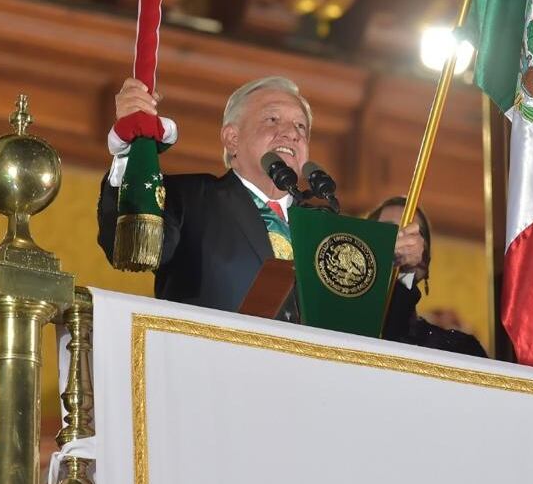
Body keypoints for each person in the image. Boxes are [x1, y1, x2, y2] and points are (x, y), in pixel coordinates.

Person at [97, 76, 425, 314]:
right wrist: (129, 148)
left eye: (301, 127)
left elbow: (372, 327)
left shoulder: (329, 228)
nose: (291, 133)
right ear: (232, 139)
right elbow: (129, 247)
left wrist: (402, 269)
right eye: (272, 119)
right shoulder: (190, 198)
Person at [368, 197, 487, 357]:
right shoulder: (341, 326)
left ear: (425, 263)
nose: (401, 243)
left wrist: (406, 274)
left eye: (412, 235)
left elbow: (398, 327)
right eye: (388, 231)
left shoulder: (459, 350)